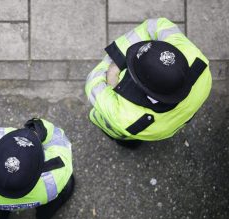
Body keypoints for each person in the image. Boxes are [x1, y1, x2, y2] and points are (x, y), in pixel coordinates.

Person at [85, 17, 212, 148]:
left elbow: (93, 82)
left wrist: (114, 66)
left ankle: (129, 144)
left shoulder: (125, 118)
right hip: (175, 121)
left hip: (120, 128)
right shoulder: (198, 62)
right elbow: (158, 24)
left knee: (122, 136)